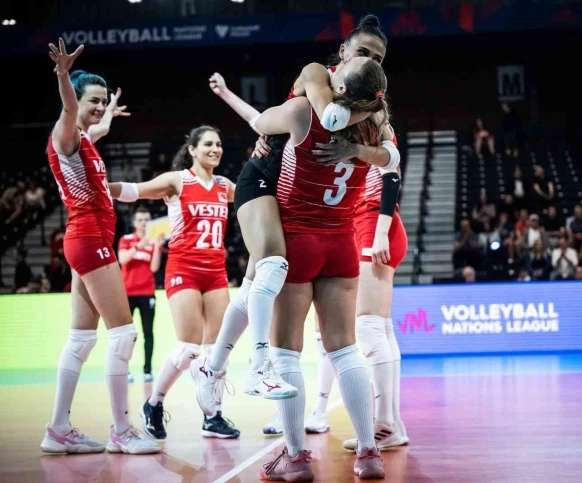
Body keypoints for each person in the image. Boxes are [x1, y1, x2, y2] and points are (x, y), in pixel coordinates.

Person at [193, 17, 401, 410]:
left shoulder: (374, 104)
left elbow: (392, 159)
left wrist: (361, 144)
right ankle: (258, 367)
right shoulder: (319, 75)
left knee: (253, 286)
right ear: (343, 52)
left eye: (378, 59)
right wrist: (371, 110)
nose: (370, 61)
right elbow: (331, 118)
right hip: (264, 176)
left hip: (295, 190)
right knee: (272, 266)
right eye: (363, 52)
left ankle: (212, 366)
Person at [41, 38, 159, 455]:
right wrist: (62, 75)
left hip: (85, 240)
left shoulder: (85, 138)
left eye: (103, 100)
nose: (98, 106)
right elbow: (70, 110)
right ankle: (122, 431)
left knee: (81, 339)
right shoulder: (65, 133)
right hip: (90, 239)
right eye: (93, 100)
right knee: (124, 334)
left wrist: (108, 113)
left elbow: (98, 127)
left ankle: (58, 429)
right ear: (74, 100)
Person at [109, 126, 240, 440]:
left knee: (217, 351)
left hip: (216, 272)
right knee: (189, 349)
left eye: (219, 144)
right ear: (192, 149)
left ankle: (213, 417)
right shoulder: (177, 181)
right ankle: (154, 403)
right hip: (184, 270)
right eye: (208, 144)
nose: (215, 149)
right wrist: (98, 184)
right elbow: (135, 190)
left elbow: (257, 197)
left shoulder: (224, 186)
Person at [118, 207, 164, 383]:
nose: (144, 223)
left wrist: (157, 247)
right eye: (140, 220)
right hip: (127, 293)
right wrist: (138, 246)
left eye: (147, 220)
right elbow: (122, 259)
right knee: (126, 334)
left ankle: (147, 371)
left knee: (148, 333)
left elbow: (154, 267)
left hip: (147, 293)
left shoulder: (154, 242)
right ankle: (125, 370)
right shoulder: (126, 239)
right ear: (134, 223)